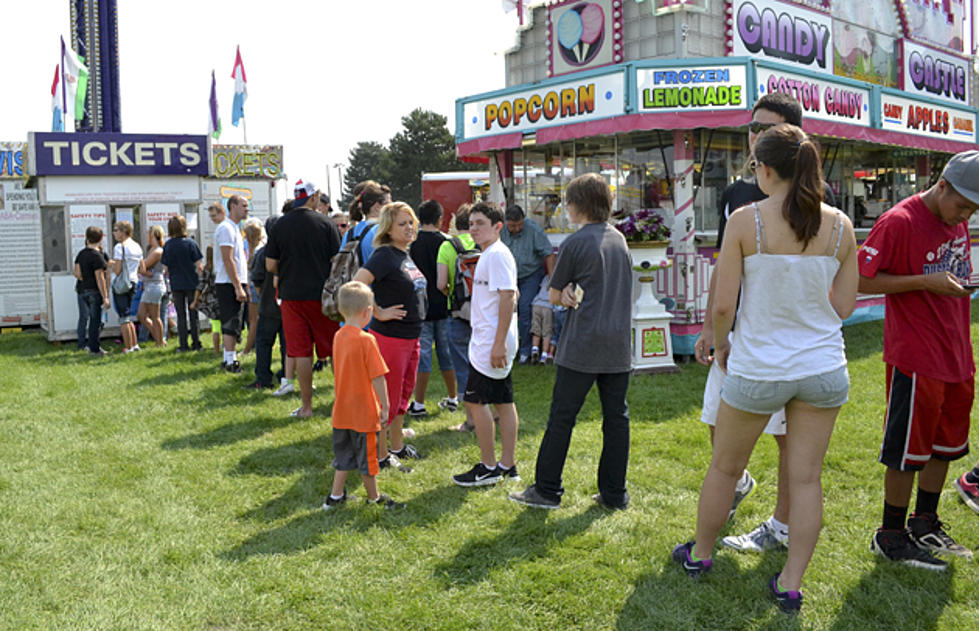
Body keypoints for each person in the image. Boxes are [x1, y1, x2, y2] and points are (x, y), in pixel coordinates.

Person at [672, 124, 857, 616]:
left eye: (755, 164)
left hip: (760, 366)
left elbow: (722, 307)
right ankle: (791, 584)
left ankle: (701, 554)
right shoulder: (840, 225)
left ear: (766, 169)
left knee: (725, 467)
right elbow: (843, 306)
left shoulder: (746, 221)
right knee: (806, 480)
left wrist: (722, 340)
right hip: (822, 366)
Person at [696, 91, 836, 552]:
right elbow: (722, 263)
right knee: (719, 424)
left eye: (764, 129)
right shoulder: (738, 196)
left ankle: (778, 526)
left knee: (790, 446)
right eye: (751, 128)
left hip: (788, 350)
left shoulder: (819, 200)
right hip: (738, 337)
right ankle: (734, 485)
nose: (754, 138)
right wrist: (710, 329)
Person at [859, 150, 979, 570]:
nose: (965, 215)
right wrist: (923, 282)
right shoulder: (899, 221)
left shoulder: (957, 219)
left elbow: (949, 269)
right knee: (907, 451)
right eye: (962, 205)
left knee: (945, 447)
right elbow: (859, 279)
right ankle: (890, 534)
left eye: (973, 210)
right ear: (941, 184)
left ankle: (924, 521)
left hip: (956, 353)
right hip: (915, 356)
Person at [508, 173, 633, 509]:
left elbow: (553, 294)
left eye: (568, 202)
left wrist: (565, 294)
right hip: (618, 343)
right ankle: (614, 493)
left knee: (562, 418)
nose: (565, 208)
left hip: (583, 343)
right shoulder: (619, 239)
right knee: (616, 419)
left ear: (580, 205)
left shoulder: (576, 242)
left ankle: (547, 490)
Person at [352, 202, 427, 472]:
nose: (409, 228)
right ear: (388, 228)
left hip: (411, 337)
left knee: (403, 397)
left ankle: (396, 446)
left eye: (411, 222)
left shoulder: (404, 253)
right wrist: (378, 312)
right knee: (388, 399)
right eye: (402, 224)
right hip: (391, 339)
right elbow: (357, 284)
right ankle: (381, 456)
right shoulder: (384, 255)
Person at [451, 202, 520, 487]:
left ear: (497, 227)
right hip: (489, 340)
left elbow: (508, 297)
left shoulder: (497, 255)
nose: (474, 228)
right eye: (471, 223)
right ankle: (507, 465)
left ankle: (489, 467)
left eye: (480, 223)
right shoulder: (490, 254)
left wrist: (498, 344)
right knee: (503, 401)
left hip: (492, 342)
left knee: (476, 401)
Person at [322, 280, 404, 510]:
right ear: (368, 312)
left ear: (340, 310)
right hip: (364, 413)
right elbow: (378, 377)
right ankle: (375, 499)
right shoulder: (367, 340)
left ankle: (335, 497)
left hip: (342, 411)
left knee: (343, 458)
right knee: (368, 461)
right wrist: (385, 407)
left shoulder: (339, 336)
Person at [265, 180, 343, 417]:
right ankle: (342, 401)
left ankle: (306, 407)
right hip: (322, 296)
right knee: (335, 349)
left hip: (291, 295)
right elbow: (336, 261)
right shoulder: (326, 223)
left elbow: (270, 265)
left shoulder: (280, 224)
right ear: (313, 197)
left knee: (301, 352)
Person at [406, 199, 458, 418]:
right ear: (440, 219)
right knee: (447, 354)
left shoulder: (411, 245)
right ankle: (454, 398)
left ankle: (418, 404)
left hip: (420, 308)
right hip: (445, 305)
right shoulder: (449, 242)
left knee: (423, 356)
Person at [436, 204, 480, 432]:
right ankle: (491, 412)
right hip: (484, 314)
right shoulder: (485, 243)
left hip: (459, 313)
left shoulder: (447, 246)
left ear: (456, 224)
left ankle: (471, 420)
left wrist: (453, 293)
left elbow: (441, 283)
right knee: (483, 365)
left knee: (463, 367)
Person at [501, 204, 555, 363]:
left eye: (519, 225)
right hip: (507, 276)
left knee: (525, 309)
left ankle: (525, 351)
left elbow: (549, 254)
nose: (516, 228)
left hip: (530, 276)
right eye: (512, 226)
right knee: (504, 309)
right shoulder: (500, 231)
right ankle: (506, 346)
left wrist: (552, 281)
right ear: (505, 223)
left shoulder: (533, 230)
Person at [209, 196, 249, 373]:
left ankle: (227, 358)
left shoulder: (234, 228)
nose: (246, 209)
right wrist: (237, 286)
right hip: (228, 282)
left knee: (234, 321)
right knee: (231, 322)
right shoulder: (226, 228)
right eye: (243, 205)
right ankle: (231, 362)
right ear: (232, 206)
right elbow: (228, 258)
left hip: (232, 281)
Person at [245, 216, 285, 390]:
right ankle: (286, 375)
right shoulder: (289, 251)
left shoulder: (263, 252)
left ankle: (263, 378)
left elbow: (257, 280)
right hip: (287, 305)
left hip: (268, 305)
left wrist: (264, 298)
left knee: (263, 343)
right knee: (287, 344)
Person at [161, 215, 203, 352]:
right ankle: (196, 343)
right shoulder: (191, 243)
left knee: (181, 316)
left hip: (176, 284)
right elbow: (199, 265)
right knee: (193, 315)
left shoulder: (168, 245)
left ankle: (183, 344)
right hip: (192, 283)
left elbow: (165, 268)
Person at [73, 226, 110, 355]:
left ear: (87, 238)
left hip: (81, 290)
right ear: (101, 239)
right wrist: (105, 296)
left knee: (83, 318)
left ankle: (81, 344)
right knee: (95, 321)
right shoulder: (98, 256)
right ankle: (94, 348)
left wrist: (85, 278)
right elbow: (100, 278)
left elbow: (76, 272)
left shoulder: (81, 254)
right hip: (94, 291)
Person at [111, 220, 143, 354]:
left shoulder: (120, 247)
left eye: (116, 230)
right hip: (134, 281)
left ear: (123, 232)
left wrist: (110, 264)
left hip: (121, 284)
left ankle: (128, 347)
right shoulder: (137, 246)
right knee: (129, 316)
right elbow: (142, 268)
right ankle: (135, 345)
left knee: (123, 318)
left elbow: (117, 270)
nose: (114, 233)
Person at [343, 180, 392, 265]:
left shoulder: (349, 234)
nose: (392, 207)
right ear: (377, 206)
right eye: (387, 204)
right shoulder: (382, 230)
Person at [137, 225, 167, 346]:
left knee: (155, 316)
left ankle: (160, 341)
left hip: (155, 286)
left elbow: (142, 267)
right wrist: (144, 271)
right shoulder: (151, 250)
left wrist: (141, 265)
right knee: (141, 315)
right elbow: (143, 270)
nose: (146, 236)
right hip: (149, 285)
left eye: (148, 233)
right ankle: (160, 339)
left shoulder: (157, 251)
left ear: (153, 235)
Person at [241, 217, 266, 355]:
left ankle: (247, 349)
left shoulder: (249, 250)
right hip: (261, 286)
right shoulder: (261, 248)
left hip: (252, 286)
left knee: (253, 321)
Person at [529, 275, 554, 364]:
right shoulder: (561, 277)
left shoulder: (546, 277)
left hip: (537, 304)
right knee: (547, 331)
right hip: (548, 306)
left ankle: (534, 349)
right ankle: (543, 356)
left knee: (536, 329)